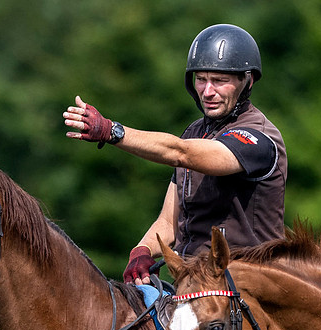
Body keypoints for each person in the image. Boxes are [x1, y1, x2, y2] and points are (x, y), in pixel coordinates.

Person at [63, 23, 288, 285]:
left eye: (219, 81)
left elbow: (181, 153)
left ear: (247, 81)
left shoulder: (258, 137)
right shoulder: (194, 132)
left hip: (248, 284)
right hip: (193, 281)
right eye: (201, 79)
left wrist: (111, 131)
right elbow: (170, 222)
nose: (207, 91)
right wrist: (142, 251)